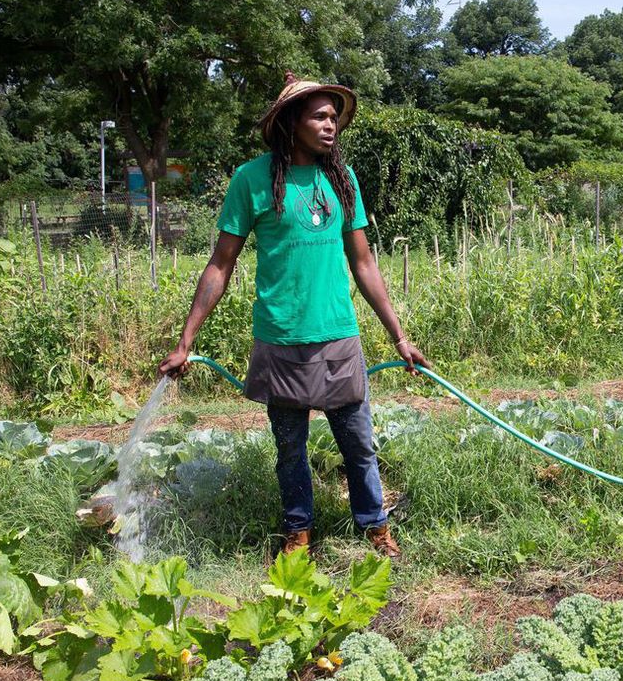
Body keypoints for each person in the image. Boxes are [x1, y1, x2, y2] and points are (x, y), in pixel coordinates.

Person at [158, 73, 427, 558]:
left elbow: (364, 263)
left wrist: (399, 338)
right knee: (290, 448)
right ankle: (298, 530)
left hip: (337, 337)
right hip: (281, 338)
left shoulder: (341, 181)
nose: (331, 126)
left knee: (358, 444)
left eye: (334, 117)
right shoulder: (252, 180)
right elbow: (221, 264)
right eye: (319, 116)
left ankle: (374, 526)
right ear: (291, 122)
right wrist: (185, 342)